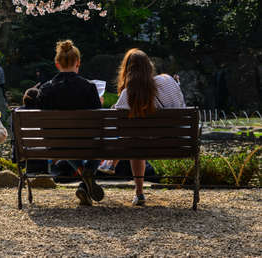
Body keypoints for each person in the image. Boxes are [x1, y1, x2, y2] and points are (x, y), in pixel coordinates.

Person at [108, 48, 186, 206]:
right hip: (177, 143)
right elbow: (182, 105)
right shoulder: (168, 80)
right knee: (136, 138)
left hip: (142, 146)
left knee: (134, 140)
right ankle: (112, 164)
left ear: (127, 70)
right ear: (149, 66)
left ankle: (139, 192)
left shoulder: (129, 93)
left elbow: (118, 126)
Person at [37, 39, 104, 206]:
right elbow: (99, 122)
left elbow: (42, 122)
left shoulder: (45, 89)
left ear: (57, 63)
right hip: (86, 143)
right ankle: (87, 175)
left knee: (65, 143)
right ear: (78, 63)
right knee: (101, 143)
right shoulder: (89, 87)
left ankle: (84, 179)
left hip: (56, 143)